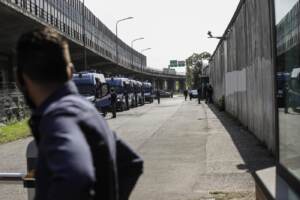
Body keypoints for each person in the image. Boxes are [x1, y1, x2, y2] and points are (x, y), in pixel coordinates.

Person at [16, 28, 142, 200]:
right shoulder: (87, 110)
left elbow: (75, 176)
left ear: (20, 79)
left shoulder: (58, 117)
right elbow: (129, 163)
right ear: (70, 71)